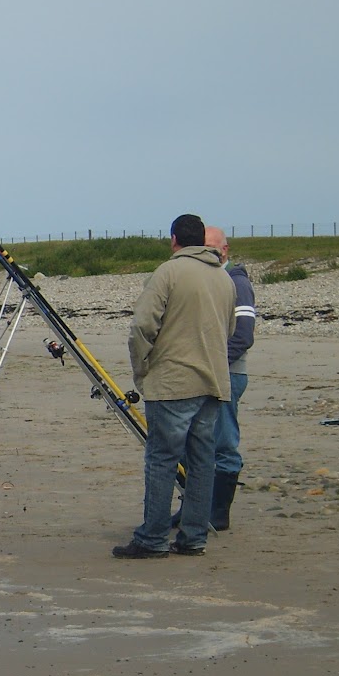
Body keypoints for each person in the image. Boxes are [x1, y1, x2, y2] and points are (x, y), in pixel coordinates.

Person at [115, 213, 235, 559]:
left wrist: (142, 368)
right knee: (201, 462)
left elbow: (142, 326)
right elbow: (228, 331)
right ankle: (193, 537)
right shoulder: (223, 277)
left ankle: (152, 538)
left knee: (162, 461)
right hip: (211, 382)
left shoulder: (168, 272)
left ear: (174, 241)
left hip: (173, 383)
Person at [203, 228, 255, 529]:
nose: (208, 253)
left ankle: (219, 513)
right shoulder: (206, 279)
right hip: (204, 374)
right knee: (196, 444)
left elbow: (243, 337)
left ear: (225, 249)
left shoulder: (238, 283)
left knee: (223, 442)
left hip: (228, 375)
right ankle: (194, 507)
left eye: (213, 248)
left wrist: (214, 365)